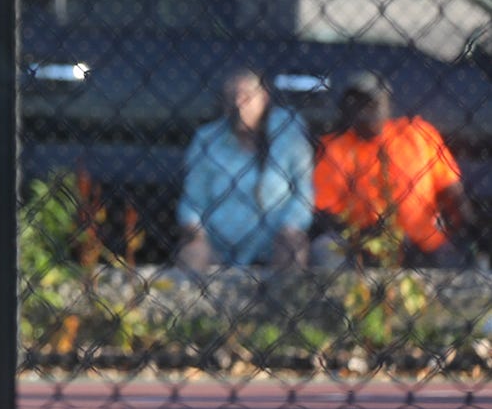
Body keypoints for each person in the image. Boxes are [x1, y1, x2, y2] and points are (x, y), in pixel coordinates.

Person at [311, 72, 469, 269]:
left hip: (424, 242)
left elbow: (452, 189)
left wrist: (465, 230)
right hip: (363, 244)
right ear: (346, 109)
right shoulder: (335, 148)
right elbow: (326, 211)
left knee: (458, 262)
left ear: (387, 103)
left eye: (372, 100)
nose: (365, 108)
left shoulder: (418, 134)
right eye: (357, 102)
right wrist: (365, 233)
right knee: (325, 249)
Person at [175, 69, 313, 270]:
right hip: (217, 245)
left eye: (246, 96)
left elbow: (304, 193)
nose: (239, 103)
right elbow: (193, 199)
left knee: (294, 247)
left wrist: (290, 227)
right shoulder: (206, 140)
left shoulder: (288, 135)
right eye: (232, 97)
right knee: (191, 253)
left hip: (275, 241)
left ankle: (288, 300)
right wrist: (195, 233)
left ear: (264, 99)